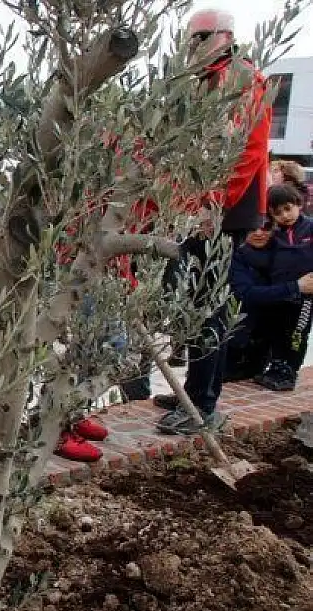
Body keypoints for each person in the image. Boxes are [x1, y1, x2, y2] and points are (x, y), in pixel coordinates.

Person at [151, 8, 273, 435]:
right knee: (200, 301)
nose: (191, 48)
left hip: (224, 212)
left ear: (224, 37)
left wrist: (211, 207)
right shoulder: (208, 82)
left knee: (210, 306)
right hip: (203, 206)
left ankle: (202, 403)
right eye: (189, 40)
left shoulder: (241, 81)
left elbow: (246, 154)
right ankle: (196, 391)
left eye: (199, 39)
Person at [229, 184, 313, 391]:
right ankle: (277, 367)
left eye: (288, 208)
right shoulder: (273, 238)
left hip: (305, 296)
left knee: (297, 334)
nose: (285, 215)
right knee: (278, 333)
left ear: (299, 204)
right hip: (282, 294)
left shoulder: (309, 228)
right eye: (278, 213)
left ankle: (288, 372)